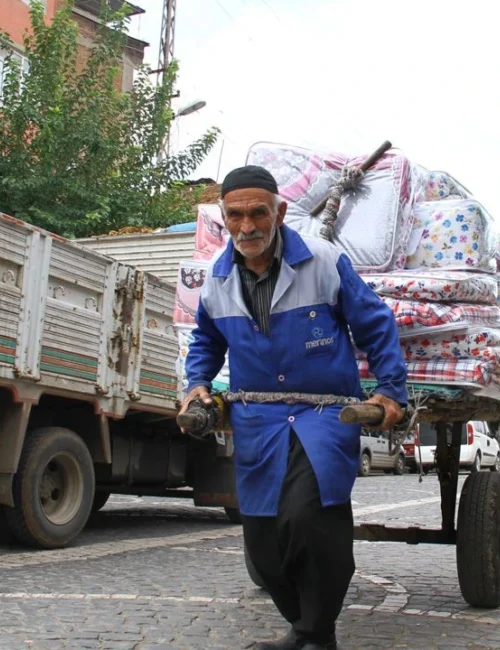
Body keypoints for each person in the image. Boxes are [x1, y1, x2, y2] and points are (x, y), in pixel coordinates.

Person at [181, 165, 408, 649]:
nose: (248, 227)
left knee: (309, 519)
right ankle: (311, 633)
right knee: (263, 545)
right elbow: (205, 339)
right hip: (257, 421)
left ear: (279, 212)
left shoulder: (324, 262)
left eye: (258, 213)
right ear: (224, 218)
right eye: (236, 215)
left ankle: (312, 634)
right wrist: (196, 383)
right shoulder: (217, 282)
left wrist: (390, 389)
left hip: (325, 416)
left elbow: (374, 323)